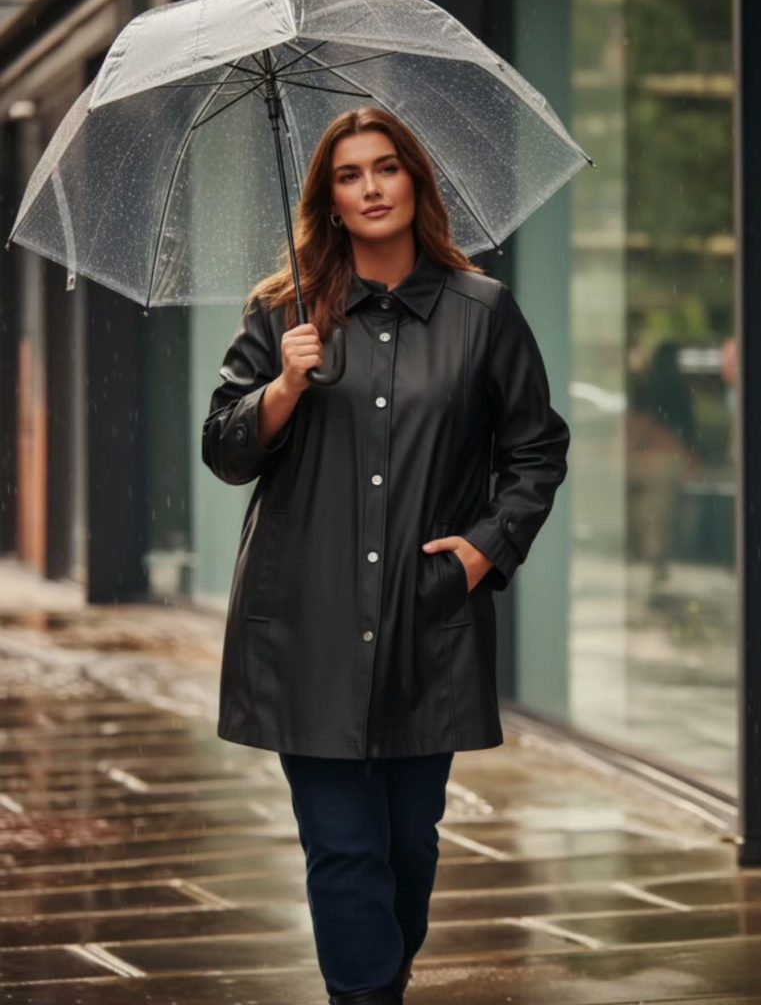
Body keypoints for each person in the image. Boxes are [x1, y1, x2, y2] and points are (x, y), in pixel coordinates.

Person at [201, 107, 570, 1005]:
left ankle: (376, 986)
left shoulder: (484, 314)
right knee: (343, 848)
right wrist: (283, 386)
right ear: (326, 199)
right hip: (305, 627)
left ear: (415, 183)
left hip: (426, 621)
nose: (369, 187)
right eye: (348, 174)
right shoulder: (279, 311)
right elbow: (224, 449)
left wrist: (484, 552)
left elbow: (536, 451)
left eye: (386, 168)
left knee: (409, 847)